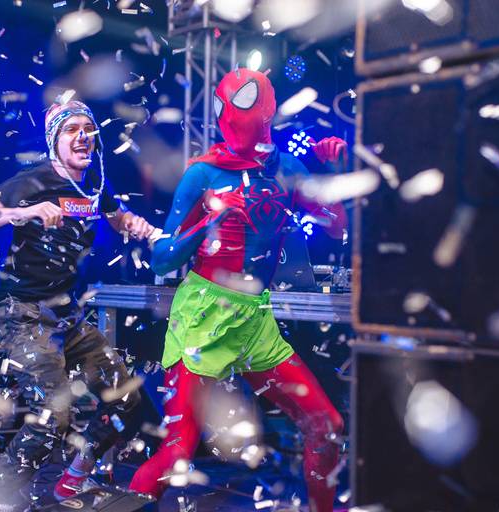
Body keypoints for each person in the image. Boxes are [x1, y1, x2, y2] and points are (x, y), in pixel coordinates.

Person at [128, 69, 346, 512]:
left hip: (255, 320)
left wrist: (335, 173)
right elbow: (162, 258)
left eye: (249, 100)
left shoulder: (287, 169)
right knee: (178, 451)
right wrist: (210, 221)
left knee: (326, 427)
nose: (238, 115)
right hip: (203, 318)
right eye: (232, 104)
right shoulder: (203, 173)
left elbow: (336, 227)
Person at [0, 98, 155, 505]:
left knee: (128, 399)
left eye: (88, 129)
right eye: (71, 130)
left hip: (68, 314)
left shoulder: (93, 182)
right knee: (52, 414)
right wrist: (21, 213)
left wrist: (131, 222)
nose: (83, 136)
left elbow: (114, 214)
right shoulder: (33, 182)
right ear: (54, 141)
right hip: (23, 313)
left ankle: (74, 477)